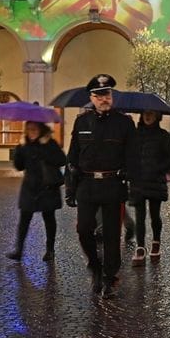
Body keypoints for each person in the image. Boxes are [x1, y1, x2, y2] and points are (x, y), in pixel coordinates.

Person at [65, 74, 135, 299]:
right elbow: (73, 157)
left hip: (112, 184)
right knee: (84, 230)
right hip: (86, 184)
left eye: (107, 94)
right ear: (92, 98)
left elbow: (132, 156)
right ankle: (94, 267)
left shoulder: (124, 123)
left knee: (113, 236)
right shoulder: (82, 122)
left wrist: (131, 183)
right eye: (99, 95)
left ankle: (109, 278)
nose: (104, 99)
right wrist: (70, 189)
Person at [6, 120, 67, 262]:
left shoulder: (50, 143)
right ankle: (19, 250)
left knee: (49, 218)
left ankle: (50, 250)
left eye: (34, 129)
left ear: (41, 129)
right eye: (29, 129)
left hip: (47, 186)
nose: (32, 132)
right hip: (30, 187)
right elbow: (19, 166)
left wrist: (45, 148)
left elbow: (62, 160)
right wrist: (19, 149)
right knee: (24, 219)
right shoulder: (24, 145)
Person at [127, 109, 170, 266]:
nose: (148, 116)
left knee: (155, 215)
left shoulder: (163, 136)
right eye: (145, 114)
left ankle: (156, 242)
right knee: (139, 216)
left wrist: (159, 169)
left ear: (157, 117)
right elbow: (129, 155)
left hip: (155, 181)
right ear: (141, 115)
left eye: (152, 114)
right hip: (139, 181)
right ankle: (140, 247)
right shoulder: (134, 136)